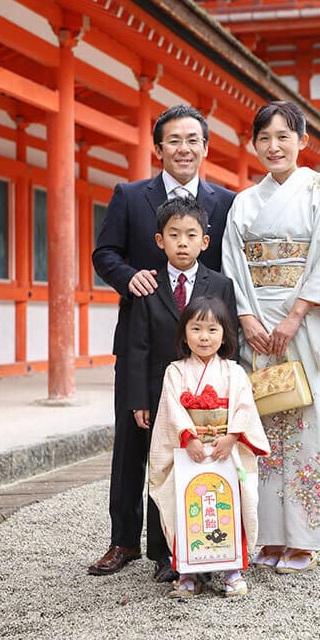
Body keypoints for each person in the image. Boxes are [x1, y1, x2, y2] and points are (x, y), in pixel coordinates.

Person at [89, 105, 236, 579]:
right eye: (173, 140)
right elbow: (104, 252)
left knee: (196, 444)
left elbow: (232, 271)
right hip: (143, 339)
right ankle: (123, 541)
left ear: (205, 147)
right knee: (134, 442)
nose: (184, 149)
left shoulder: (226, 203)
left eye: (193, 140)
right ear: (158, 148)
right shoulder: (131, 196)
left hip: (201, 350)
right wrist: (129, 277)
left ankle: (186, 544)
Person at [221, 100, 320, 574]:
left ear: (302, 141)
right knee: (263, 431)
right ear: (253, 144)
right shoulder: (244, 202)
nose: (274, 146)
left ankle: (306, 539)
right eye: (264, 138)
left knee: (307, 426)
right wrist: (247, 320)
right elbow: (233, 266)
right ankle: (271, 536)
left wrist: (295, 315)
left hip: (302, 322)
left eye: (284, 136)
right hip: (259, 327)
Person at [127, 195, 239, 581]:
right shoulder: (149, 285)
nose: (182, 242)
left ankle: (212, 547)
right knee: (164, 468)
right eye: (173, 235)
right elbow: (137, 346)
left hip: (209, 393)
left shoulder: (220, 284)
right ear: (160, 240)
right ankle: (163, 553)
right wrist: (140, 399)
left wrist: (229, 391)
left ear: (205, 242)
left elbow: (230, 340)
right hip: (164, 391)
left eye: (191, 235)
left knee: (209, 468)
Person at [149, 295, 269, 598]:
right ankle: (188, 574)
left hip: (225, 450)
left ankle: (232, 572)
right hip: (189, 452)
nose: (204, 337)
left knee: (231, 507)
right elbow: (172, 410)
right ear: (184, 333)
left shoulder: (234, 372)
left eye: (213, 330)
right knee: (186, 507)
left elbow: (244, 408)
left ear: (225, 335)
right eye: (196, 329)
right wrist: (188, 437)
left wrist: (231, 438)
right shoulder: (175, 372)